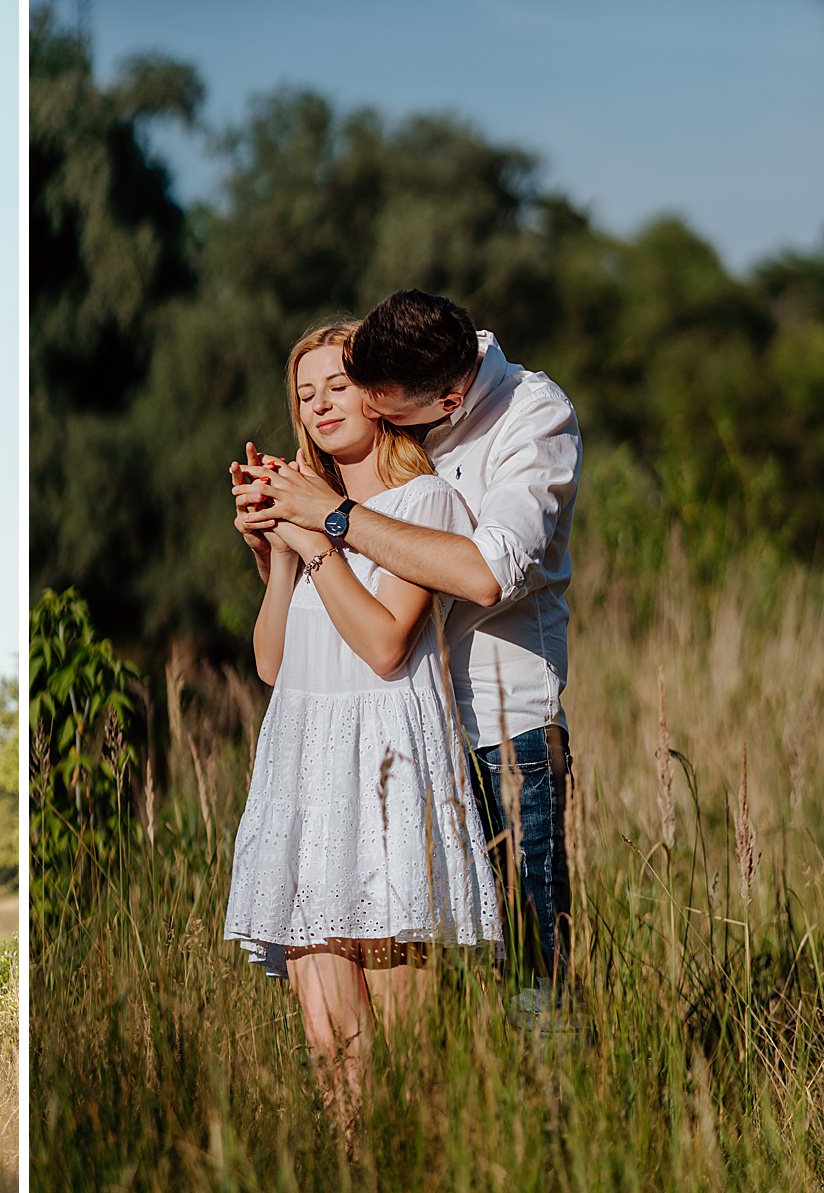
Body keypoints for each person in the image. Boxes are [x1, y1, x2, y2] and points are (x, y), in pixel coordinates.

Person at [234, 289, 581, 1013]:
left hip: (496, 725)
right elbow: (287, 652)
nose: (354, 406)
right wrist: (276, 549)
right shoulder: (407, 371)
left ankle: (547, 1117)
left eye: (364, 395)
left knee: (530, 982)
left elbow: (484, 573)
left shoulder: (531, 419)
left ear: (446, 398)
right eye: (314, 393)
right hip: (388, 743)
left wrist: (327, 520)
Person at [222, 320, 502, 1137]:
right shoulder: (306, 526)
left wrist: (321, 542)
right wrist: (280, 549)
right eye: (304, 395)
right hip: (305, 786)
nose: (318, 406)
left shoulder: (424, 504)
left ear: (379, 397)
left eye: (336, 386)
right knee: (332, 1058)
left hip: (387, 779)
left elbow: (385, 644)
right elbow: (272, 663)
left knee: (408, 1068)